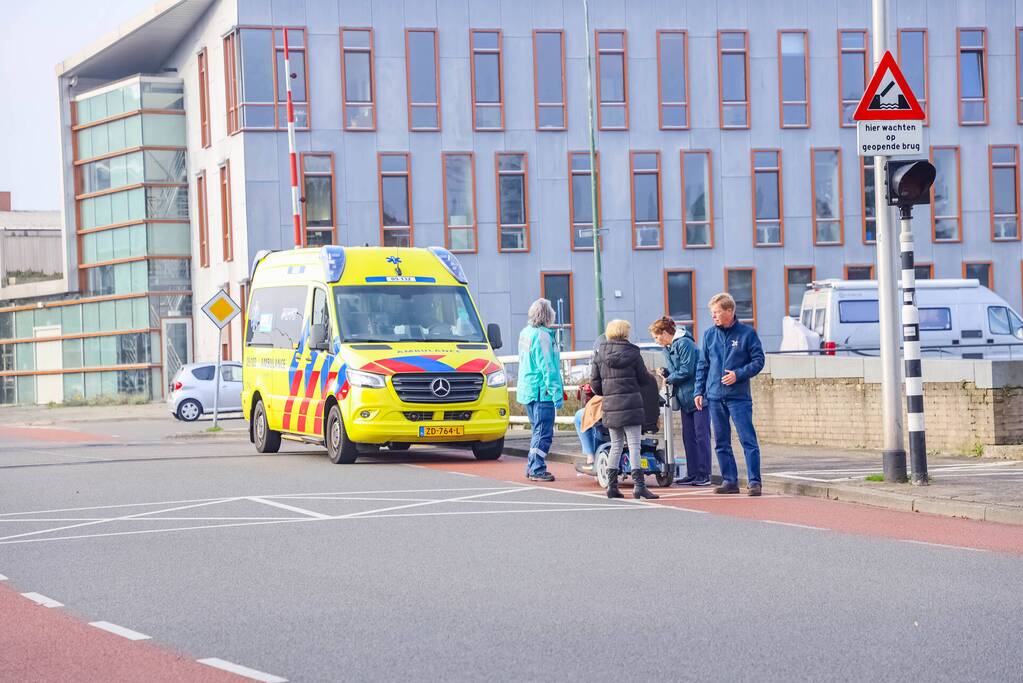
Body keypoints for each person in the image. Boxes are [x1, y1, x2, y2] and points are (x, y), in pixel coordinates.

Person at [694, 293, 766, 496]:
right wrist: (698, 391)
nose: (713, 316)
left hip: (739, 397)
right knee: (721, 441)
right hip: (715, 397)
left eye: (716, 312)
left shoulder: (747, 333)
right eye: (712, 313)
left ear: (729, 311)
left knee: (747, 439)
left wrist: (738, 375)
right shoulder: (709, 335)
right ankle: (729, 481)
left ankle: (754, 482)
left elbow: (759, 361)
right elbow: (703, 365)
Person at [590, 319, 659, 500]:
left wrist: (608, 391)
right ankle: (639, 487)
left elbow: (595, 385)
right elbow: (644, 380)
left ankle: (612, 487)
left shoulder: (599, 354)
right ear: (626, 333)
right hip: (631, 405)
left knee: (616, 446)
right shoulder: (633, 353)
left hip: (611, 406)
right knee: (634, 446)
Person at [649, 316, 712, 486]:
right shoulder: (668, 348)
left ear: (664, 333)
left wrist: (669, 378)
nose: (656, 341)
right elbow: (678, 370)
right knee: (688, 437)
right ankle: (692, 473)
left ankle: (704, 474)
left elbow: (687, 370)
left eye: (656, 337)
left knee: (701, 436)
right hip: (685, 398)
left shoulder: (685, 344)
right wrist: (667, 371)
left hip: (698, 396)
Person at [516, 298, 564, 482]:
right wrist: (556, 392)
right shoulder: (543, 336)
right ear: (547, 315)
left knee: (537, 430)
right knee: (543, 431)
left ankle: (532, 465)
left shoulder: (525, 333)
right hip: (541, 391)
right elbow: (547, 367)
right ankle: (537, 467)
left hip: (528, 390)